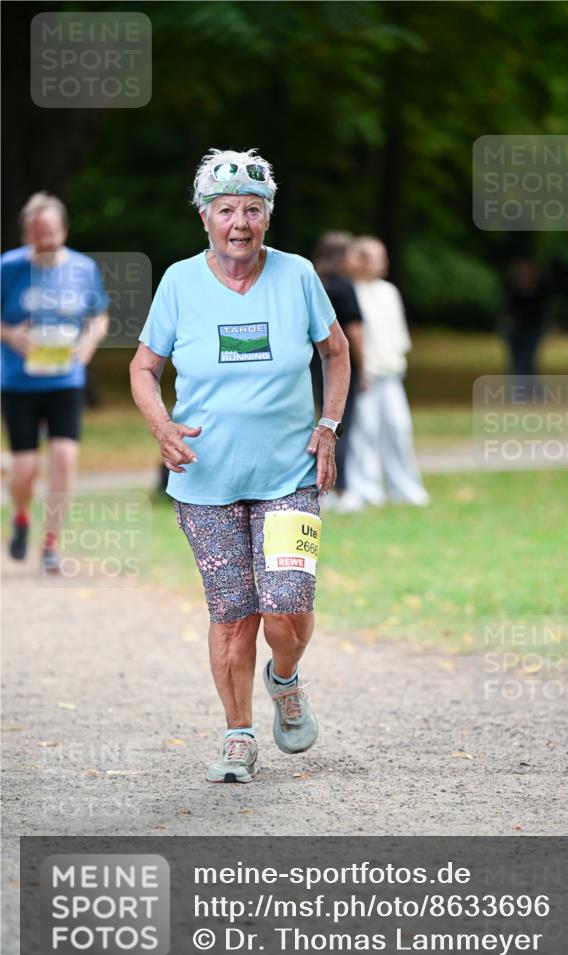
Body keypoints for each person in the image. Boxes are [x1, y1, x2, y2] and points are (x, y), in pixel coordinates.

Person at [129, 148, 350, 784]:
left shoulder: (298, 275)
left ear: (268, 217)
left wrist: (328, 426)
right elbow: (143, 368)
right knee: (232, 614)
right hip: (205, 481)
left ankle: (285, 677)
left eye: (252, 209)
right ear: (204, 217)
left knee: (287, 607)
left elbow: (336, 354)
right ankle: (238, 735)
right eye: (226, 210)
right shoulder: (179, 282)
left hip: (289, 474)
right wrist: (162, 427)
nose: (239, 223)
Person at [1, 192, 109, 573]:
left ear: (63, 230)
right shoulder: (8, 267)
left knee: (64, 460)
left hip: (66, 380)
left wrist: (90, 342)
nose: (45, 242)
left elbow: (99, 315)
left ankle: (50, 545)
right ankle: (20, 517)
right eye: (37, 235)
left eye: (51, 233)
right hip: (20, 383)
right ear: (26, 234)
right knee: (25, 468)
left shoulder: (83, 268)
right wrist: (11, 334)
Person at [342, 236, 429, 509]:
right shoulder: (351, 291)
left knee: (398, 428)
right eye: (377, 257)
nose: (383, 262)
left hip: (391, 372)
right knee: (364, 432)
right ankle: (367, 488)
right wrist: (362, 369)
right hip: (366, 375)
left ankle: (404, 487)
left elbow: (398, 336)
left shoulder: (389, 291)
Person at [310, 231, 365, 507]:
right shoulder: (345, 287)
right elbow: (353, 332)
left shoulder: (316, 283)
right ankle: (340, 487)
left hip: (314, 364)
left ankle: (324, 484)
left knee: (324, 419)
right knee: (340, 424)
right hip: (341, 365)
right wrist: (364, 365)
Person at [498, 257, 549, 389]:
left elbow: (541, 310)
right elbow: (506, 308)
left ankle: (529, 388)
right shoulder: (510, 287)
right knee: (517, 360)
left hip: (533, 329)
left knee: (528, 359)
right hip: (514, 329)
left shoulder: (540, 288)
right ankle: (520, 389)